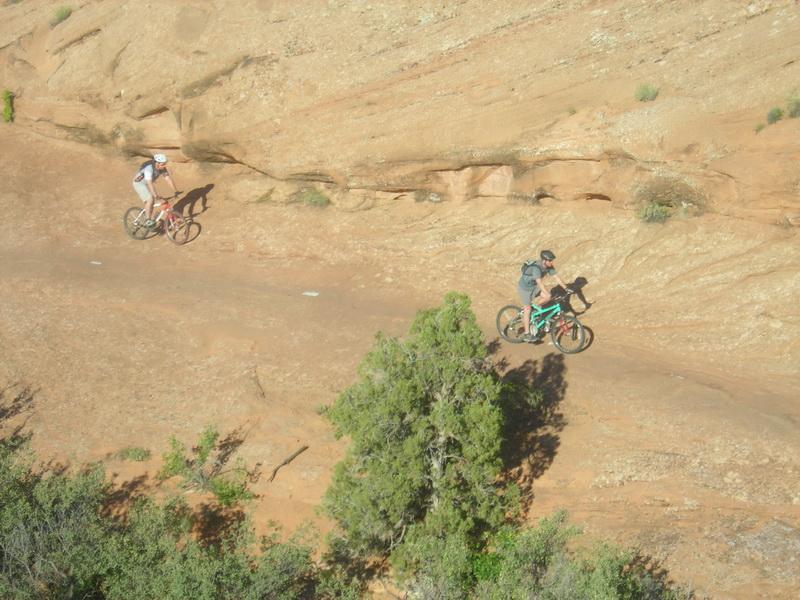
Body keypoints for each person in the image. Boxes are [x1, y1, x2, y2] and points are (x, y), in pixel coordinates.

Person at [518, 249, 569, 341]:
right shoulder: (536, 268)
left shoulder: (549, 266)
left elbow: (556, 277)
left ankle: (534, 310)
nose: (551, 262)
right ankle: (526, 334)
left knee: (548, 297)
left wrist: (566, 288)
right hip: (524, 288)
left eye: (552, 260)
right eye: (550, 260)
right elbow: (540, 283)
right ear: (544, 260)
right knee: (528, 308)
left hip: (533, 286)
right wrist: (546, 291)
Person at [132, 153, 179, 227]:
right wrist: (155, 195)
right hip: (139, 183)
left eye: (165, 164)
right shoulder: (149, 168)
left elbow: (168, 179)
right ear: (157, 163)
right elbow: (150, 183)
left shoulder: (162, 169)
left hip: (146, 183)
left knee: (155, 200)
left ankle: (153, 216)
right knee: (150, 199)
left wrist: (176, 191)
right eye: (163, 164)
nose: (164, 166)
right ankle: (148, 220)